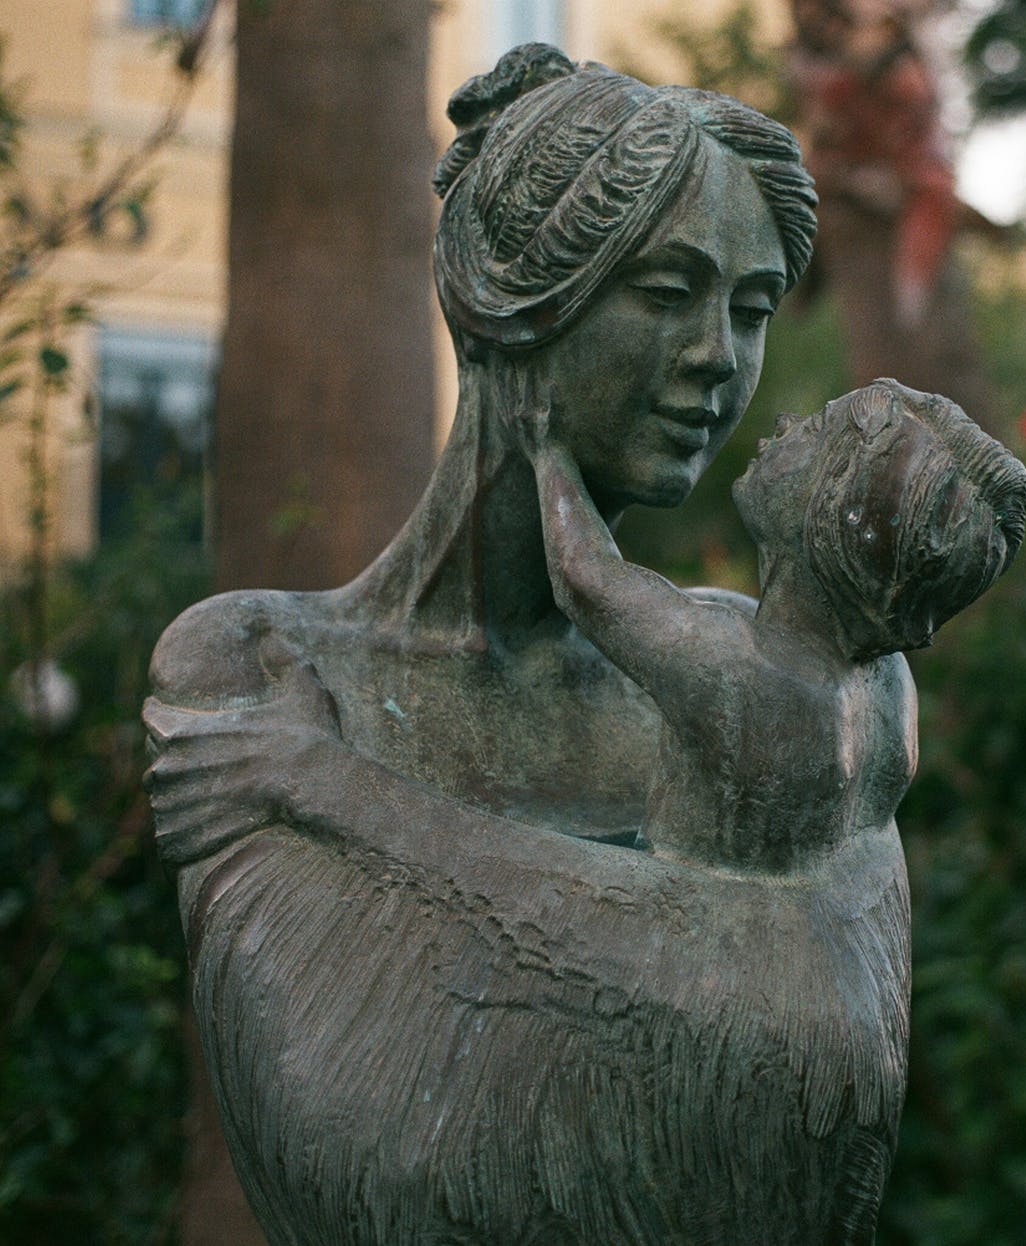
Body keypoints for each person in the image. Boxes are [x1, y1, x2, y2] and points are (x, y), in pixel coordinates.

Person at [140, 46, 944, 1243]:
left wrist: (333, 793)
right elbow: (343, 1157)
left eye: (751, 308)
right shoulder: (254, 672)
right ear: (506, 302)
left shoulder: (788, 689)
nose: (719, 355)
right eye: (668, 292)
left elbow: (828, 1076)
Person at [518, 377, 1026, 874]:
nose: (788, 422)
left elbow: (583, 576)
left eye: (815, 428)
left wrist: (548, 449)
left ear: (830, 505)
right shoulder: (890, 685)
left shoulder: (742, 670)